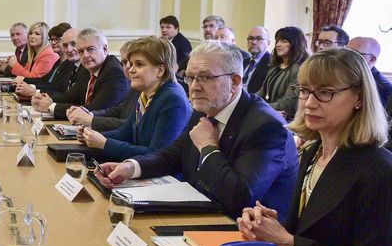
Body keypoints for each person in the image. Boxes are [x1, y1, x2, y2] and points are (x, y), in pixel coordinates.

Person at [238, 47, 392, 246]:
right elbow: (313, 230)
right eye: (305, 90)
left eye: (325, 93)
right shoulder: (312, 153)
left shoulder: (378, 170)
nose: (309, 102)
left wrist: (290, 242)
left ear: (359, 98)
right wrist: (269, 226)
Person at [96, 41, 298, 221]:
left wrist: (208, 147)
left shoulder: (266, 127)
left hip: (246, 232)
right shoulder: (205, 108)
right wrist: (131, 168)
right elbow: (173, 155)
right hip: (202, 212)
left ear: (235, 82)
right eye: (190, 77)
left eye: (205, 78)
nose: (194, 87)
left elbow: (241, 198)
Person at [78, 36, 192, 161]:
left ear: (160, 70)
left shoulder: (173, 99)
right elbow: (126, 132)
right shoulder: (145, 93)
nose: (130, 70)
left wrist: (105, 143)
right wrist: (91, 136)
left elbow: (157, 153)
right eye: (130, 64)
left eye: (139, 64)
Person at [31, 28, 129, 120]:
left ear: (105, 49)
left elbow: (93, 110)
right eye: (81, 51)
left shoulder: (115, 73)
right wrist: (45, 99)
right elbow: (71, 96)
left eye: (90, 49)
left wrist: (51, 106)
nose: (85, 55)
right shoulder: (86, 68)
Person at [67, 40, 138, 131]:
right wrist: (89, 114)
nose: (128, 67)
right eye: (124, 62)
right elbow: (119, 110)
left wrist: (92, 121)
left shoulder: (114, 71)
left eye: (137, 64)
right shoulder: (136, 88)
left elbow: (133, 126)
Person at [15, 27, 81, 98]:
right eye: (52, 40)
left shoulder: (68, 62)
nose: (53, 42)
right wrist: (29, 85)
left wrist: (34, 91)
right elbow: (46, 81)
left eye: (57, 39)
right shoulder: (60, 61)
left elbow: (60, 90)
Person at [260, 26, 309, 119]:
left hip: (287, 120)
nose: (278, 44)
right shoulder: (275, 66)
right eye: (277, 41)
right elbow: (262, 91)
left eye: (284, 41)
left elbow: (288, 104)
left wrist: (259, 107)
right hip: (269, 114)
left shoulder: (299, 69)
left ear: (296, 44)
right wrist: (250, 101)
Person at [347, 36, 392, 106]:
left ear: (372, 60)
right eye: (345, 52)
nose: (346, 58)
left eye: (354, 54)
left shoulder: (384, 88)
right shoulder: (343, 74)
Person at [243, 26, 271, 93]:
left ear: (268, 43)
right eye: (250, 38)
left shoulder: (271, 63)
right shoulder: (243, 61)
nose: (254, 42)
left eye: (259, 39)